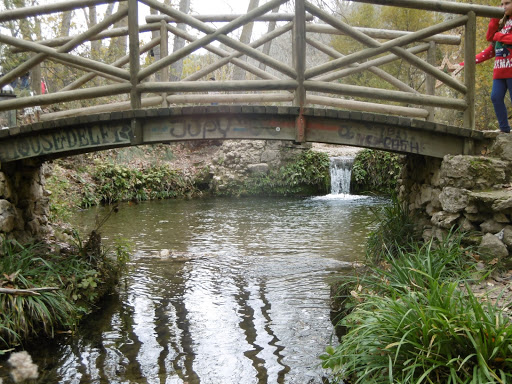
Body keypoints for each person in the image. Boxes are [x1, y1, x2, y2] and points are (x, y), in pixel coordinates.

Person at [462, 0, 512, 133]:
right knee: (495, 97)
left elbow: (504, 38)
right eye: (501, 4)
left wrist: (499, 36)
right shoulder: (502, 24)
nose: (503, 7)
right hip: (500, 70)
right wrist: (495, 18)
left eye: (507, 3)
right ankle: (504, 129)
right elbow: (490, 38)